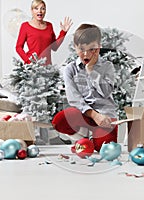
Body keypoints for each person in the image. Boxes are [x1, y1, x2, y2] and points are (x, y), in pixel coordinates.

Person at [51, 24, 118, 152]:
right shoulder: (70, 69)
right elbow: (74, 99)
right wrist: (94, 115)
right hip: (84, 114)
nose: (86, 54)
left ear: (99, 47)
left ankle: (92, 139)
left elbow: (106, 92)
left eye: (92, 49)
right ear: (75, 48)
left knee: (104, 148)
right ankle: (82, 137)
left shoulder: (107, 66)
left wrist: (91, 70)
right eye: (81, 49)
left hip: (105, 115)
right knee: (59, 121)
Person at [16, 0, 72, 65]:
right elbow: (18, 47)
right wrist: (29, 61)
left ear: (45, 11)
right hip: (32, 67)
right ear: (32, 11)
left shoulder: (49, 25)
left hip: (47, 67)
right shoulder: (25, 26)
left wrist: (63, 32)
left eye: (42, 9)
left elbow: (54, 47)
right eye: (36, 8)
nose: (39, 11)